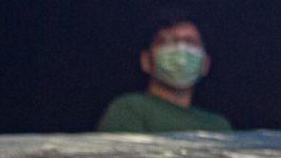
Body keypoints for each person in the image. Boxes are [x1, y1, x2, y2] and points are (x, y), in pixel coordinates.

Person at [97, 10, 233, 133]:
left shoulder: (218, 125)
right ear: (146, 61)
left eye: (191, 42)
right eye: (167, 42)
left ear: (205, 63)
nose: (181, 53)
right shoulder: (129, 109)